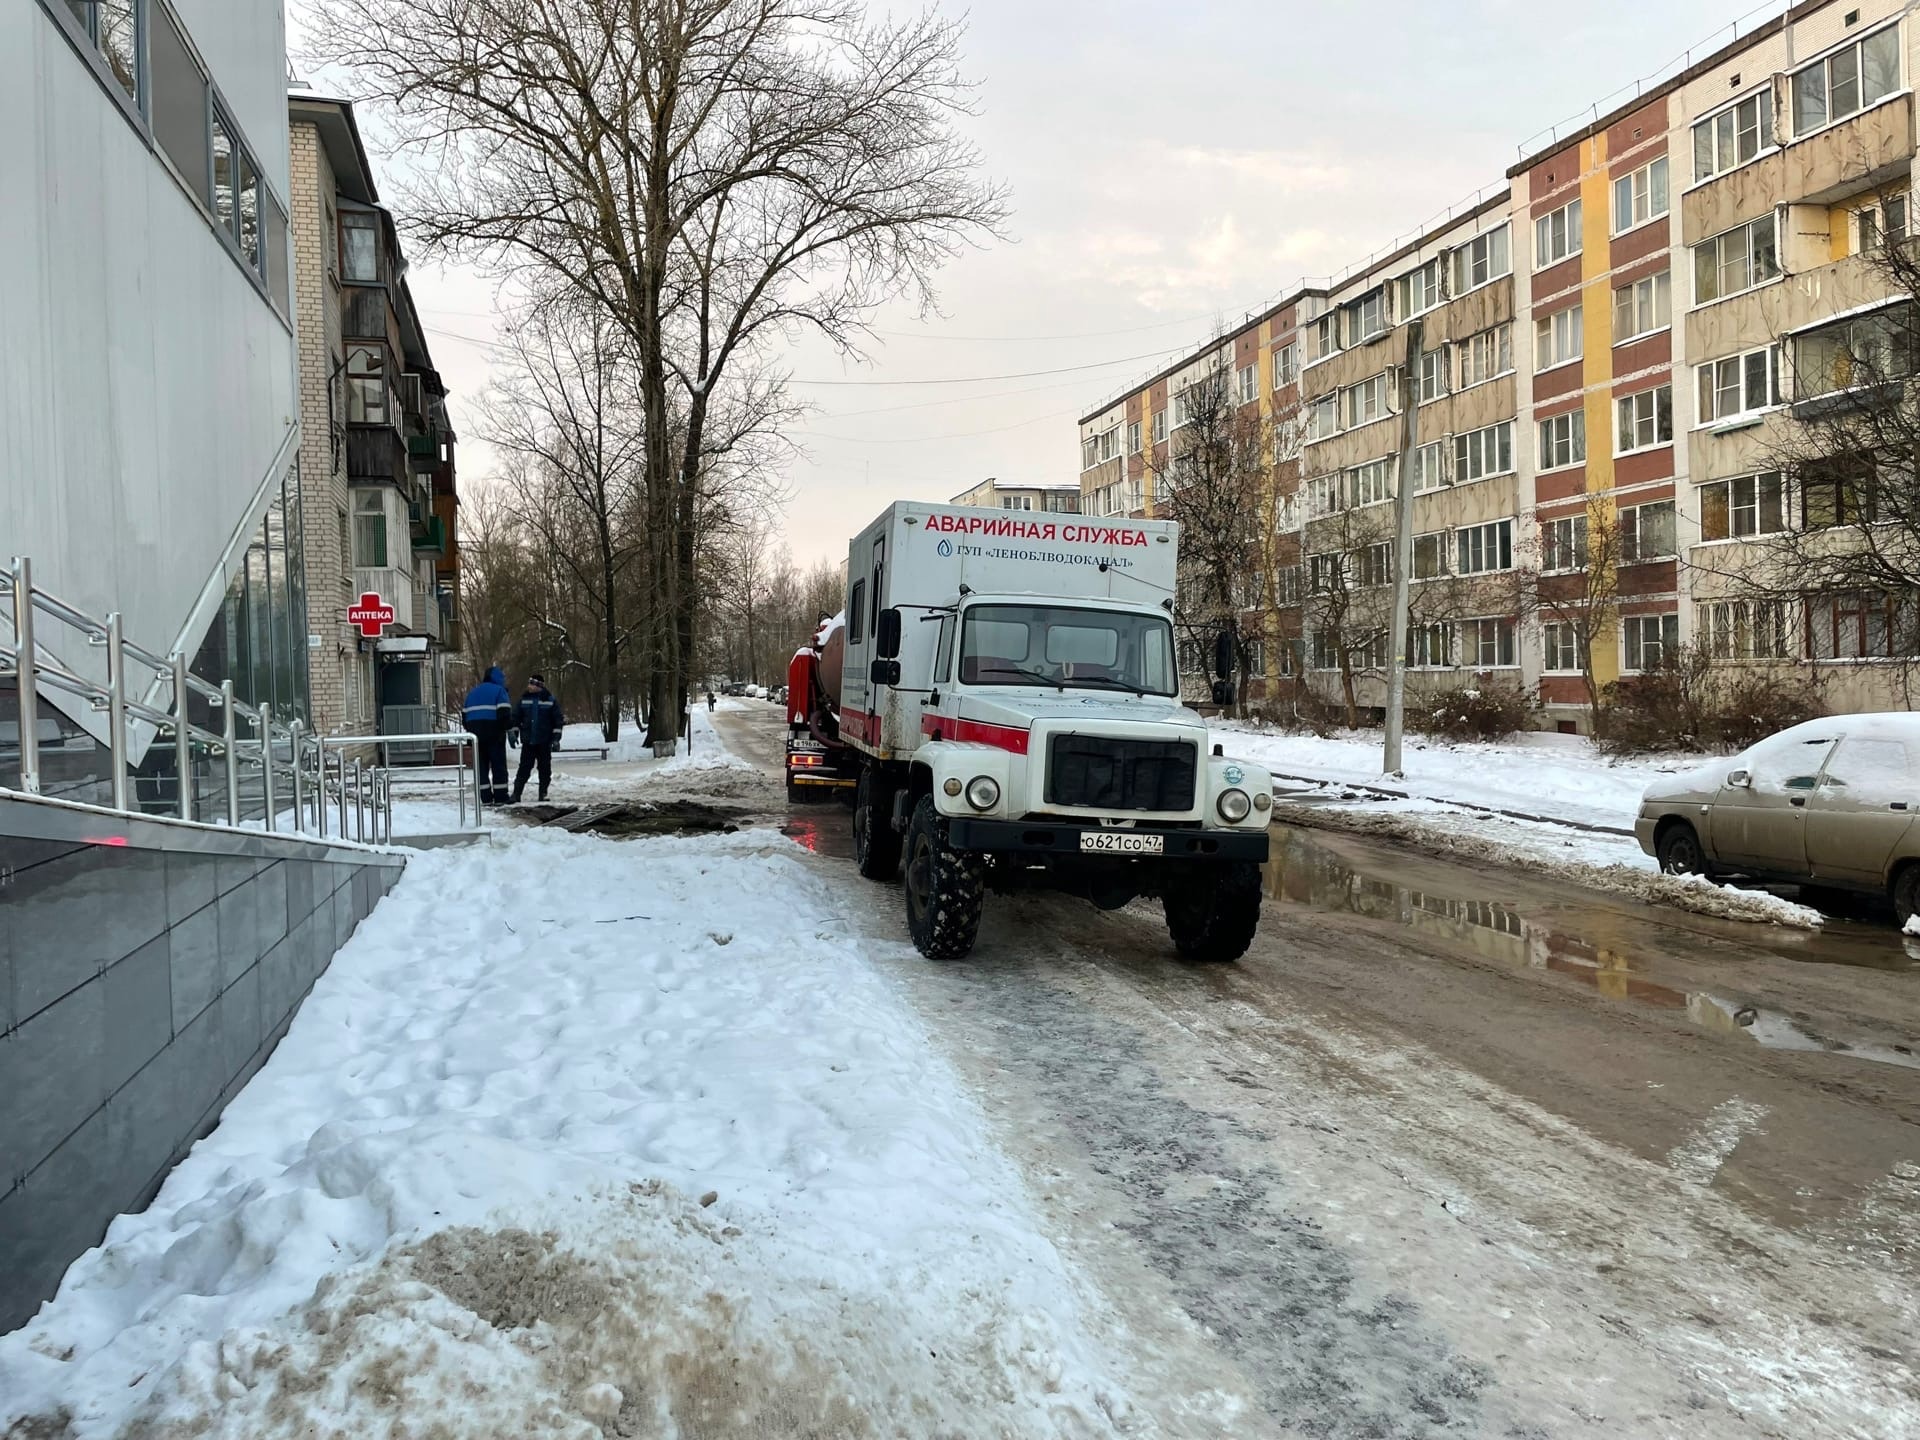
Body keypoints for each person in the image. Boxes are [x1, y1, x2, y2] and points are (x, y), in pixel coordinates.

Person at [461, 665, 514, 806]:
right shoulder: (499, 691)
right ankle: (501, 796)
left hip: (475, 734)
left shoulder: (472, 692)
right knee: (498, 765)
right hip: (494, 732)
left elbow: (464, 716)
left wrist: (471, 729)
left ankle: (485, 797)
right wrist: (508, 730)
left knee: (481, 767)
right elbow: (504, 714)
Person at [510, 673, 566, 804]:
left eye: (531, 683)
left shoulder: (550, 700)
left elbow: (558, 720)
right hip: (528, 741)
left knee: (545, 769)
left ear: (538, 686)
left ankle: (543, 793)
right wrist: (514, 733)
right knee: (524, 768)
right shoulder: (524, 699)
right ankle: (516, 794)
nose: (529, 686)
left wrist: (556, 739)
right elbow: (516, 718)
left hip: (544, 741)